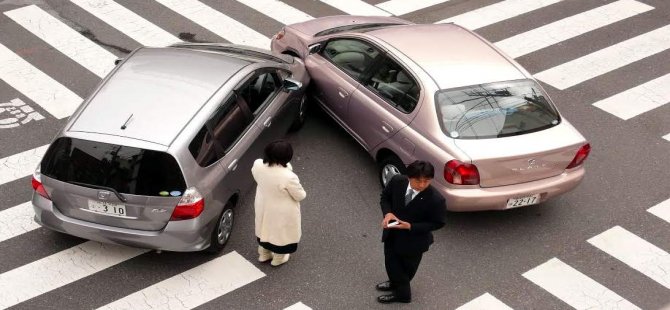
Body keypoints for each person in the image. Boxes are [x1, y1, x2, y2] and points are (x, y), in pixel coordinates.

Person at [376, 160, 447, 304]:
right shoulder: (397, 181)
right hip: (392, 233)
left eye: (426, 181)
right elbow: (385, 198)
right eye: (418, 180)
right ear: (409, 176)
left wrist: (410, 226)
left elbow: (438, 223)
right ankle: (394, 282)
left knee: (405, 270)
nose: (422, 185)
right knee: (391, 263)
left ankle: (403, 295)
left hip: (414, 241)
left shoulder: (436, 200)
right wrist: (388, 213)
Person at [251, 140, 307, 266]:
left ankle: (263, 254)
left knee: (264, 228)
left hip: (263, 204)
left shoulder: (258, 165)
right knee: (281, 234)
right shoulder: (288, 176)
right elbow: (300, 195)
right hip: (281, 211)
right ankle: (278, 259)